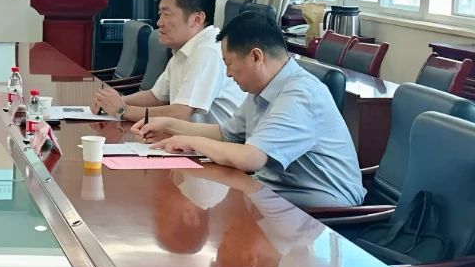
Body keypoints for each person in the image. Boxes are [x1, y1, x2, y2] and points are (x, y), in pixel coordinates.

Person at [134, 12, 366, 209]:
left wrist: (192, 141)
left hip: (324, 209)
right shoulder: (262, 88)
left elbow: (250, 158)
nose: (228, 73)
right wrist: (169, 125)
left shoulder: (300, 93)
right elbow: (226, 134)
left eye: (229, 63)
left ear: (256, 56)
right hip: (277, 194)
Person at [93, 0, 244, 124]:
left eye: (167, 15)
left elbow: (180, 113)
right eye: (160, 14)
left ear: (197, 19)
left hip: (212, 140)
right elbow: (156, 97)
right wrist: (114, 101)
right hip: (187, 137)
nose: (159, 22)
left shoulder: (209, 50)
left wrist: (123, 110)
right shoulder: (184, 49)